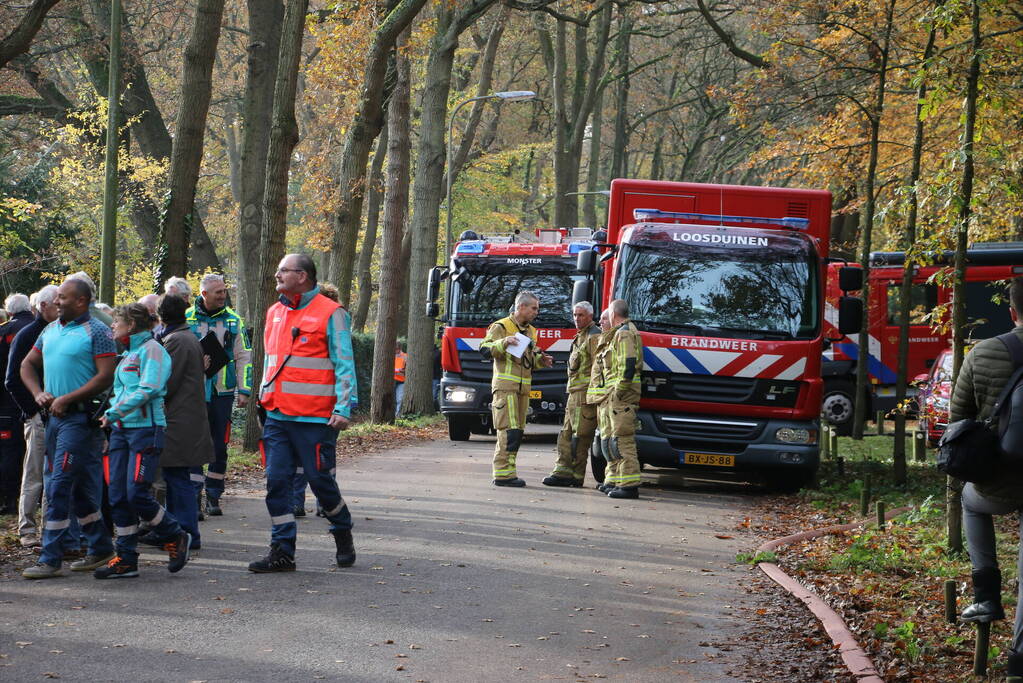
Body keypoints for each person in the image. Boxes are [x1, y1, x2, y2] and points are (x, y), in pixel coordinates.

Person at [249, 253, 358, 573]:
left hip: (316, 418)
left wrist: (343, 406)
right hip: (278, 415)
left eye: (284, 270)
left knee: (319, 481)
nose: (277, 275)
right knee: (276, 482)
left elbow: (344, 363)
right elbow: (271, 361)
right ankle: (282, 550)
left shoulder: (332, 313)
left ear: (304, 276)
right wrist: (262, 397)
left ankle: (342, 529)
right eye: (278, 269)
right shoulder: (274, 312)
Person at [19, 278, 116, 579]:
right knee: (77, 487)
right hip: (54, 420)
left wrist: (67, 398)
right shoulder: (49, 330)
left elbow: (105, 377)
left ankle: (51, 557)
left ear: (81, 301)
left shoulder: (98, 332)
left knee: (59, 484)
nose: (57, 301)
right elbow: (26, 366)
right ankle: (100, 548)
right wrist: (39, 395)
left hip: (79, 420)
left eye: (63, 297)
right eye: (57, 297)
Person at [951, 276, 1023, 680]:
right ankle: (1019, 660)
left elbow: (957, 419)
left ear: (1012, 311)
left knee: (970, 500)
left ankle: (986, 596)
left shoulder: (984, 352)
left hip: (998, 481)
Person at [95, 304, 191, 578]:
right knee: (117, 496)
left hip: (146, 430)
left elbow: (150, 388)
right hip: (122, 431)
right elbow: (119, 392)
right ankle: (125, 559)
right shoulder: (128, 354)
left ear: (132, 325)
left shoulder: (152, 350)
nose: (113, 326)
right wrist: (111, 417)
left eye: (117, 322)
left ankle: (175, 534)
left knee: (136, 492)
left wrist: (114, 412)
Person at [185, 273, 252, 517]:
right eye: (218, 292)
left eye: (224, 291)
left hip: (223, 393)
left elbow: (245, 356)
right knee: (193, 443)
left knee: (219, 446)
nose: (224, 295)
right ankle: (193, 495)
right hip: (192, 393)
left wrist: (244, 390)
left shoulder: (234, 321)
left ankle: (214, 494)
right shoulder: (186, 318)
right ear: (204, 294)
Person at [152, 294, 213, 551]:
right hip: (186, 418)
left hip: (178, 420)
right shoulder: (186, 338)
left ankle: (186, 533)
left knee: (177, 478)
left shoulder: (176, 341)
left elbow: (168, 381)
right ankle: (180, 530)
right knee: (177, 477)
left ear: (161, 316)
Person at [478, 291, 553, 487]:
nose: (536, 312)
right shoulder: (502, 326)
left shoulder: (532, 331)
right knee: (508, 431)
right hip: (505, 388)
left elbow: (528, 360)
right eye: (534, 308)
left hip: (523, 390)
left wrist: (541, 361)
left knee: (517, 432)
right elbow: (484, 348)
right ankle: (502, 474)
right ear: (521, 307)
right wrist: (503, 342)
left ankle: (509, 472)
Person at [4, 286, 59, 547]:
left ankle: (51, 526)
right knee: (34, 472)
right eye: (56, 304)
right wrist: (32, 410)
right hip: (37, 415)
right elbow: (12, 379)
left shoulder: (60, 331)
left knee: (54, 474)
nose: (61, 308)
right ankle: (27, 527)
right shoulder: (27, 334)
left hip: (59, 413)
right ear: (43, 306)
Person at [543, 301, 601, 488]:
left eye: (581, 315)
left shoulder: (594, 336)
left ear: (590, 316)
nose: (576, 319)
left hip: (585, 397)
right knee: (566, 434)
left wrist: (591, 397)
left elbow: (598, 369)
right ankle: (562, 472)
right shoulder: (581, 336)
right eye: (575, 315)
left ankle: (576, 476)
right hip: (574, 394)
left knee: (580, 436)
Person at [595, 299, 644, 499]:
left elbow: (628, 364)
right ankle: (615, 480)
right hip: (615, 396)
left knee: (622, 440)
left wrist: (619, 390)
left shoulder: (624, 333)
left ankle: (629, 485)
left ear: (614, 313)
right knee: (611, 440)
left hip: (621, 396)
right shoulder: (623, 331)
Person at [1, 293, 34, 514]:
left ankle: (8, 499)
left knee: (8, 450)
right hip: (39, 399)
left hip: (7, 402)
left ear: (10, 311)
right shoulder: (43, 328)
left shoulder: (5, 331)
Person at [587, 308, 614, 490]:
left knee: (615, 442)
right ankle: (610, 480)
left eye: (604, 319)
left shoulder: (620, 338)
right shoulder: (604, 339)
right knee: (605, 441)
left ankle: (618, 482)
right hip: (602, 398)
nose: (600, 323)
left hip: (612, 398)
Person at [394, 342, 407, 418]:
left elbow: (409, 369)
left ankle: (397, 416)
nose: (395, 351)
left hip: (401, 381)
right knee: (392, 400)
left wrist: (403, 371)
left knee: (399, 399)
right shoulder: (389, 355)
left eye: (396, 349)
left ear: (399, 348)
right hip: (391, 381)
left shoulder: (405, 356)